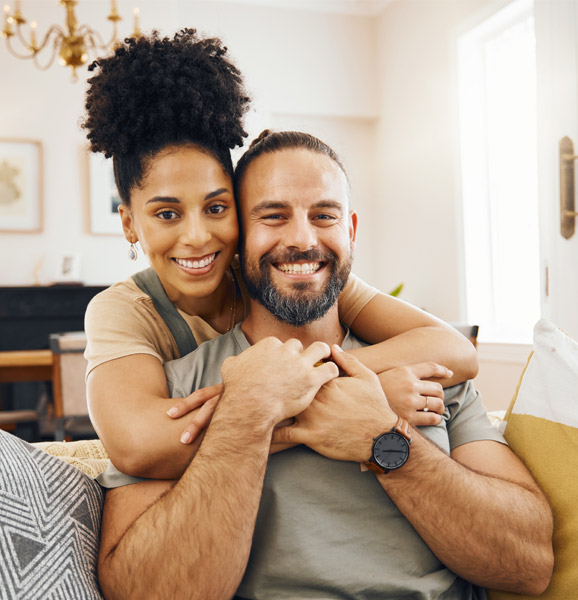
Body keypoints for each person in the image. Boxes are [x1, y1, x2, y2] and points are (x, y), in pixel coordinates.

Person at [96, 131, 554, 600]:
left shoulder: (428, 372)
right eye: (272, 216)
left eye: (324, 216)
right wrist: (249, 412)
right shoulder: (177, 393)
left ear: (350, 229)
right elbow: (141, 589)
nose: (301, 239)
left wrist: (385, 441)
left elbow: (529, 566)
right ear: (240, 238)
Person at [82, 29, 478, 482]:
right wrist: (310, 405)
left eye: (216, 208)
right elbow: (137, 445)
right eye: (167, 213)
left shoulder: (271, 271)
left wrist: (323, 381)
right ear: (129, 223)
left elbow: (454, 351)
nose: (197, 237)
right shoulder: (123, 311)